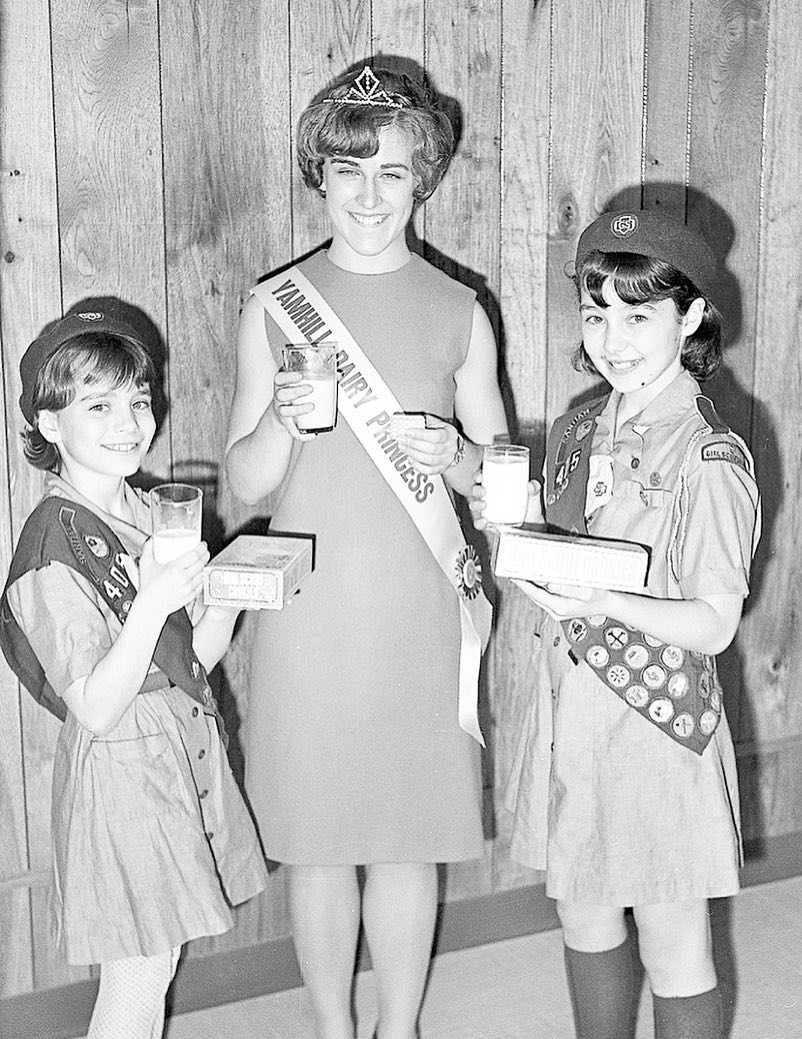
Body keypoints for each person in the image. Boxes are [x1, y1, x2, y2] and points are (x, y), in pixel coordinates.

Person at [224, 64, 507, 1039]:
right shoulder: (276, 305)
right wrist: (283, 429)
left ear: (422, 176)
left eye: (391, 172)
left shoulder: (459, 309)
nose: (369, 195)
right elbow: (242, 484)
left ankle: (401, 1024)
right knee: (319, 843)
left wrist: (464, 456)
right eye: (349, 170)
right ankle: (333, 1028)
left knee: (405, 838)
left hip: (415, 611)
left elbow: (503, 485)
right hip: (313, 614)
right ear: (319, 176)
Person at [472, 209, 760, 1039]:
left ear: (692, 315)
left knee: (674, 946)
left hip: (654, 724)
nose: (613, 339)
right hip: (572, 714)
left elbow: (710, 623)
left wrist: (599, 601)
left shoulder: (708, 456)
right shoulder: (578, 426)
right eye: (596, 314)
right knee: (584, 918)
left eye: (639, 316)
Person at [0, 311, 267, 1039]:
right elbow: (94, 704)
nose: (129, 423)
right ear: (50, 424)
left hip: (180, 747)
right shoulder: (55, 541)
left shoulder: (154, 509)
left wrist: (229, 596)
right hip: (120, 768)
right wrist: (152, 600)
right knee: (140, 966)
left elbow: (193, 660)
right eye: (99, 405)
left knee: (161, 954)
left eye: (138, 400)